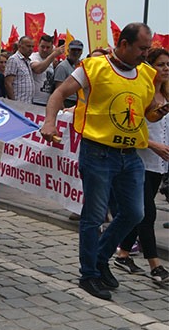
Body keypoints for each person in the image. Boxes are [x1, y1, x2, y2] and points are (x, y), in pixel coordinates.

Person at [41, 23, 167, 300]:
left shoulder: (146, 73)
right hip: (97, 153)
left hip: (131, 157)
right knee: (94, 216)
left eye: (148, 48)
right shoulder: (93, 66)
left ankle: (99, 259)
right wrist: (50, 122)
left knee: (135, 213)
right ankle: (90, 274)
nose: (146, 54)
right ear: (123, 44)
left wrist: (160, 110)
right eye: (141, 48)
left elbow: (147, 114)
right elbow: (59, 94)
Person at [113, 48, 169, 285]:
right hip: (139, 161)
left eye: (168, 64)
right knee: (147, 212)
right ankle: (155, 264)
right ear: (149, 67)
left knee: (139, 212)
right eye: (161, 64)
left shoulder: (166, 95)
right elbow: (130, 129)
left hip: (159, 164)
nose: (166, 68)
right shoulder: (142, 94)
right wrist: (154, 145)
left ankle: (123, 254)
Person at [29, 34, 64, 106]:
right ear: (38, 46)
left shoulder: (52, 61)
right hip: (34, 100)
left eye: (48, 47)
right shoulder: (34, 57)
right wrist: (53, 55)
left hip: (47, 102)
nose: (45, 50)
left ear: (52, 48)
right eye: (42, 47)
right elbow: (38, 69)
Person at [53, 40, 85, 108]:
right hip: (67, 101)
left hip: (79, 101)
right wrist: (63, 108)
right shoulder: (62, 67)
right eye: (73, 50)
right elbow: (58, 89)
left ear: (82, 52)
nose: (76, 52)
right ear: (68, 50)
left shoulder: (82, 66)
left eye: (78, 50)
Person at [4, 36, 36, 102]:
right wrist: (13, 101)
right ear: (20, 46)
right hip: (18, 103)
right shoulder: (14, 60)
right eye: (28, 46)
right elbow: (8, 83)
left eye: (32, 47)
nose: (31, 49)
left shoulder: (27, 61)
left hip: (27, 103)